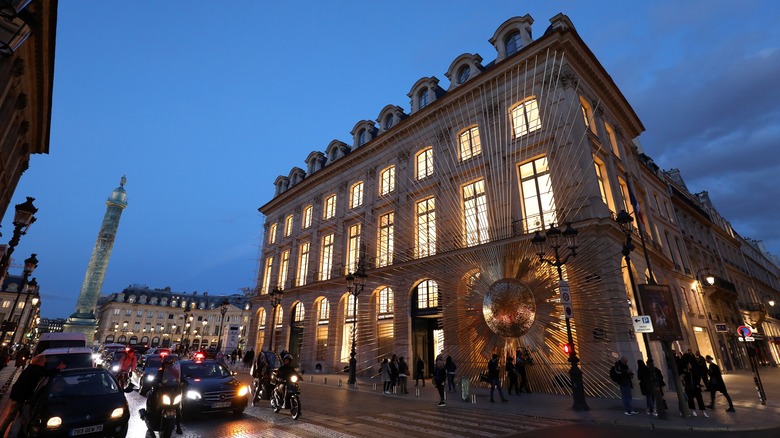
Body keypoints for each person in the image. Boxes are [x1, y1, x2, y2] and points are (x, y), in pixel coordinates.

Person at [0, 354, 63, 437]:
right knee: (11, 416)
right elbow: (47, 373)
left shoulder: (32, 368)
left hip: (20, 395)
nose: (45, 361)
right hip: (19, 396)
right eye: (44, 360)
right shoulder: (35, 370)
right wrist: (58, 368)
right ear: (39, 362)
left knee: (19, 416)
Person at [140, 355, 183, 435]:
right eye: (166, 364)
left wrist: (183, 383)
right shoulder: (160, 371)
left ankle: (178, 425)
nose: (167, 365)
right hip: (162, 391)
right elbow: (155, 380)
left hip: (172, 392)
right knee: (153, 396)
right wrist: (156, 383)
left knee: (179, 407)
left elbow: (179, 379)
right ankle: (150, 413)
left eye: (169, 364)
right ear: (163, 364)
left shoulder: (175, 371)